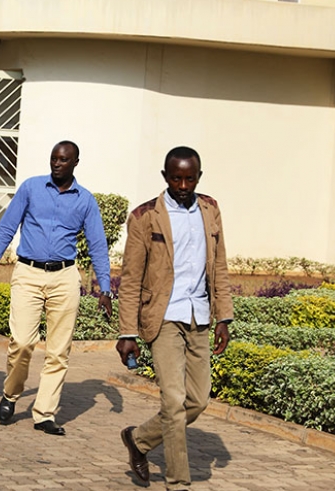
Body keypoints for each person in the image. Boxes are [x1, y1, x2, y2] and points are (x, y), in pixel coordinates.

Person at [0, 140, 112, 436]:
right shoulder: (31, 188)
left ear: (75, 162)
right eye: (53, 158)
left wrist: (105, 288)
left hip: (64, 277)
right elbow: (7, 227)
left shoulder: (85, 200)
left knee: (58, 351)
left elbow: (98, 245)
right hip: (28, 272)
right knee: (22, 342)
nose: (56, 163)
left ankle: (44, 413)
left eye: (63, 160)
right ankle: (11, 394)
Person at [116, 146, 232, 490]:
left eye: (190, 178)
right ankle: (178, 482)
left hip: (199, 316)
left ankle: (138, 440)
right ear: (165, 177)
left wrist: (224, 317)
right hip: (163, 317)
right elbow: (131, 278)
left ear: (199, 177)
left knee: (198, 400)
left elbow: (220, 267)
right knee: (173, 400)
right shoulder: (145, 216)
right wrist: (127, 332)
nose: (183, 184)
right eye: (176, 178)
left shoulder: (210, 210)